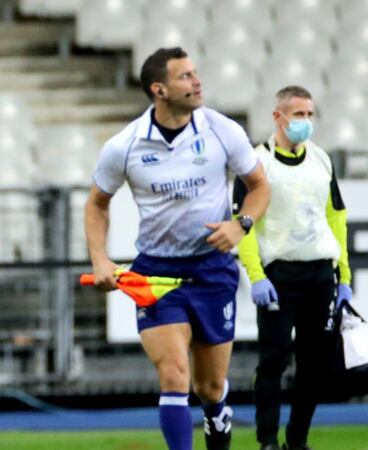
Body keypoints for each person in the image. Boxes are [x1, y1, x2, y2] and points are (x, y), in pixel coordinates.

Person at [85, 47, 270, 450]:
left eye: (195, 73)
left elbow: (259, 187)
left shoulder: (223, 130)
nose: (197, 81)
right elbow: (97, 203)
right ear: (159, 89)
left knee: (210, 386)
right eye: (185, 76)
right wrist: (100, 258)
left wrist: (241, 225)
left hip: (213, 269)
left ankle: (217, 417)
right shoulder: (125, 144)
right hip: (154, 273)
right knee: (173, 375)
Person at [234, 85, 352, 450]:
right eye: (298, 114)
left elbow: (336, 218)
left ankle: (297, 440)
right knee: (273, 360)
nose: (305, 122)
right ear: (278, 117)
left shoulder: (321, 160)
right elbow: (244, 223)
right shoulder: (256, 165)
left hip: (319, 275)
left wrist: (343, 275)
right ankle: (267, 441)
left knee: (313, 365)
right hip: (278, 276)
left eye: (309, 115)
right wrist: (255, 275)